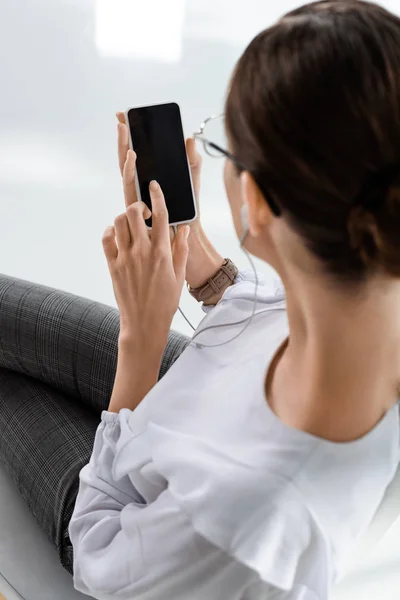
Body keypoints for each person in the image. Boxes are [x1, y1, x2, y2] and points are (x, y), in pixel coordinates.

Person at [1, 0, 400, 598]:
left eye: (223, 148)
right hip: (197, 408)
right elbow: (281, 317)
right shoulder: (373, 282)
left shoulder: (242, 524)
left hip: (121, 514)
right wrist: (202, 267)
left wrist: (142, 338)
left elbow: (97, 552)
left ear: (259, 202)